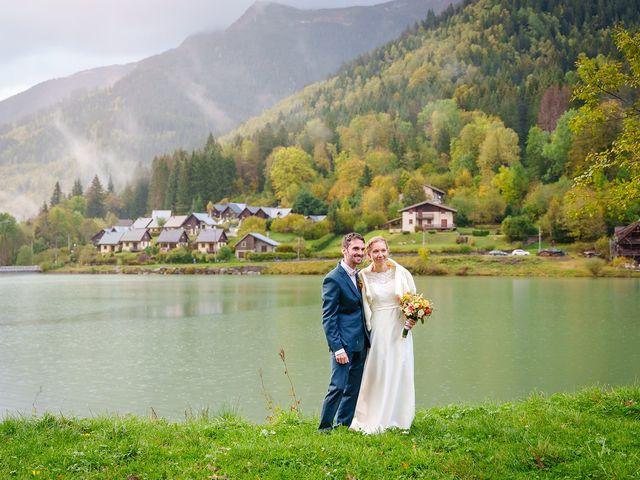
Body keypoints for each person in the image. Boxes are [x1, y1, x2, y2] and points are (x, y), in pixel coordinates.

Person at [350, 236, 416, 434]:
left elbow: (411, 299)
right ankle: (374, 416)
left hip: (399, 327)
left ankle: (399, 417)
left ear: (388, 251)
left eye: (383, 250)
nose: (380, 255)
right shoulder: (363, 276)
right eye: (375, 251)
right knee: (378, 369)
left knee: (399, 367)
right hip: (378, 327)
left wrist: (412, 317)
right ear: (369, 254)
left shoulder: (401, 273)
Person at [318, 232, 370, 431]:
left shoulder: (360, 276)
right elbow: (328, 317)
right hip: (343, 344)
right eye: (355, 249)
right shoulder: (332, 279)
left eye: (362, 249)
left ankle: (342, 426)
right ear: (344, 250)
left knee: (353, 388)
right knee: (337, 386)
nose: (360, 253)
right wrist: (337, 347)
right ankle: (324, 428)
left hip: (361, 343)